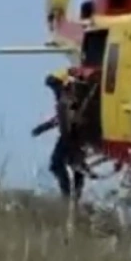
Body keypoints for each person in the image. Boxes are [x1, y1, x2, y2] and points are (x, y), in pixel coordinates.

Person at [32, 67, 90, 200]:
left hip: (73, 137)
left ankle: (69, 196)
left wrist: (45, 127)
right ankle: (72, 196)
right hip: (72, 136)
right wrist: (44, 127)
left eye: (55, 86)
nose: (54, 90)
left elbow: (68, 118)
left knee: (59, 163)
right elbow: (61, 118)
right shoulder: (67, 98)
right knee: (72, 164)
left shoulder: (70, 99)